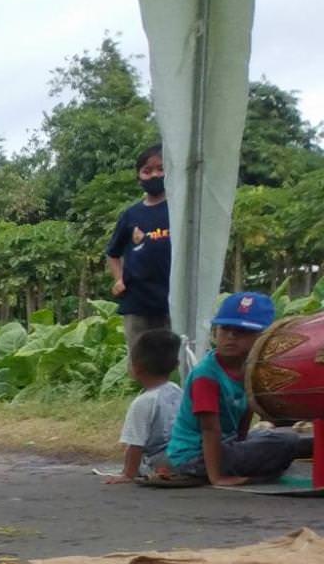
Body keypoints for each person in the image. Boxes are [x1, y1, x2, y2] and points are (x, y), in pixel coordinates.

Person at [142, 291, 306, 487]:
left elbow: (245, 415)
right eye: (225, 329)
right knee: (284, 444)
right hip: (193, 457)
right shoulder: (206, 375)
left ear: (263, 337)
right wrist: (217, 477)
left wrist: (243, 445)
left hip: (223, 446)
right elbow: (209, 429)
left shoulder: (252, 370)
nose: (231, 336)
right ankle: (224, 471)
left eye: (242, 331)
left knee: (277, 439)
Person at [106, 144, 171, 360]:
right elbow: (113, 253)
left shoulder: (180, 210)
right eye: (147, 170)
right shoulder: (130, 215)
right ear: (139, 177)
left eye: (160, 169)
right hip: (138, 301)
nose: (154, 175)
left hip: (174, 299)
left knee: (175, 357)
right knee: (142, 360)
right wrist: (118, 279)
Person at [100, 328, 182, 484]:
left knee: (144, 464)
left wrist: (127, 474)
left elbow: (135, 445)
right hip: (184, 453)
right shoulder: (177, 390)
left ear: (136, 368)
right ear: (176, 365)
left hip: (160, 460)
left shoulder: (143, 402)